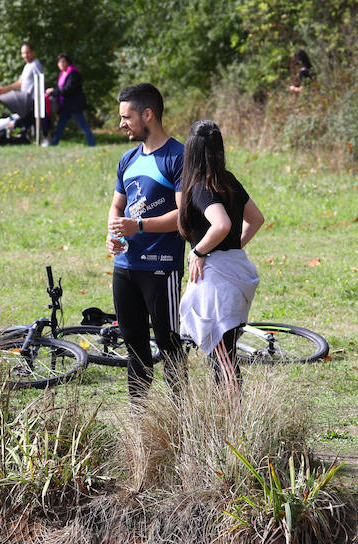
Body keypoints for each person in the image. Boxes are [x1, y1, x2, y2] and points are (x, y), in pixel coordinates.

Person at [105, 83, 185, 397]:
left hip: (161, 268)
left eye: (127, 117)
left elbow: (183, 216)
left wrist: (137, 225)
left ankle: (182, 417)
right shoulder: (127, 159)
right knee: (134, 347)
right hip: (125, 268)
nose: (121, 123)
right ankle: (140, 421)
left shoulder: (178, 157)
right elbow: (116, 206)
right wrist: (113, 234)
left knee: (169, 344)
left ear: (147, 115)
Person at [176, 121, 264, 390]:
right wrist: (232, 247)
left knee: (223, 356)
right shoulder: (229, 180)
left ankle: (232, 421)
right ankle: (227, 418)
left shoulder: (201, 186)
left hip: (217, 278)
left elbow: (222, 224)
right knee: (224, 354)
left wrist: (200, 250)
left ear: (191, 150)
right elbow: (256, 219)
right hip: (237, 269)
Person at [47, 53, 96, 146]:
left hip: (74, 106)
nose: (61, 64)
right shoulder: (62, 74)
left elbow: (68, 89)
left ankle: (92, 144)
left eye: (63, 61)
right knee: (59, 127)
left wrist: (54, 91)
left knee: (84, 126)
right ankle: (53, 144)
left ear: (68, 62)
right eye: (59, 62)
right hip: (65, 106)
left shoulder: (73, 73)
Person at [0, 43, 44, 118]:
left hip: (33, 102)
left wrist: (41, 100)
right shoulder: (27, 66)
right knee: (19, 123)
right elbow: (20, 82)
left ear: (33, 52)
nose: (25, 55)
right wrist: (5, 89)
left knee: (29, 124)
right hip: (24, 103)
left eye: (27, 52)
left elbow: (41, 81)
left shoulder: (35, 64)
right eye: (23, 53)